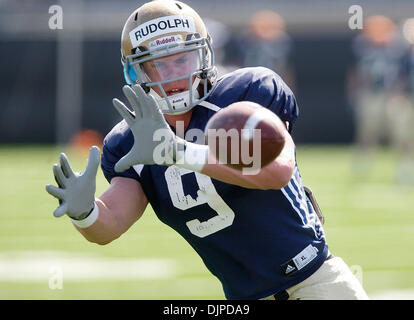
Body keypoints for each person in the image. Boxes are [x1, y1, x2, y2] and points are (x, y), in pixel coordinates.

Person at [46, 0, 368, 300]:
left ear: (203, 55)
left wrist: (180, 152)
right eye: (157, 65)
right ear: (136, 72)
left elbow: (277, 172)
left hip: (315, 283)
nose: (173, 74)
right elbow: (111, 223)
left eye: (182, 59)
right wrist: (85, 213)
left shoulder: (244, 95)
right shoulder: (128, 140)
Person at [347, 15, 411, 180]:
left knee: (402, 134)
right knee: (368, 132)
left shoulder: (399, 48)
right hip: (371, 94)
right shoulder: (362, 47)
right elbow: (356, 73)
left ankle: (405, 168)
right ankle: (362, 167)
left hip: (395, 94)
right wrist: (355, 92)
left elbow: (404, 72)